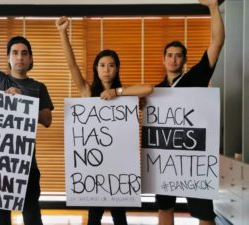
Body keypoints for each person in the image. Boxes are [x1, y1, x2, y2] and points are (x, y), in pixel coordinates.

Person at [56, 16, 153, 225]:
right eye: (102, 65)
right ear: (96, 68)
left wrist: (117, 92)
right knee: (94, 217)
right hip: (95, 166)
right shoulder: (87, 91)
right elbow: (72, 65)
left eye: (111, 65)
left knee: (120, 217)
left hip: (119, 164)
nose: (106, 69)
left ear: (117, 68)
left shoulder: (124, 94)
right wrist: (63, 32)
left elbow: (148, 88)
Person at [0, 1, 54, 225]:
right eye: (15, 53)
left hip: (28, 165)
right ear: (8, 58)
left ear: (31, 59)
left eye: (24, 53)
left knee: (32, 216)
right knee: (1, 219)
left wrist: (24, 105)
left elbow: (47, 119)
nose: (20, 57)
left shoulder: (39, 87)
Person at [155, 0, 225, 225]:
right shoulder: (156, 91)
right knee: (164, 208)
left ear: (184, 60)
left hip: (195, 157)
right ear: (163, 59)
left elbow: (217, 42)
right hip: (166, 158)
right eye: (169, 55)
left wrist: (213, 6)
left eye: (178, 55)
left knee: (204, 214)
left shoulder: (194, 78)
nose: (173, 59)